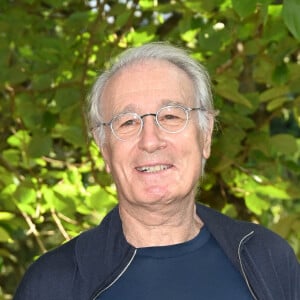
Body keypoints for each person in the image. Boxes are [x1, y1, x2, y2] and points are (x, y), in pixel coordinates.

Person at [14, 42, 299, 300]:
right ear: (104, 149)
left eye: (171, 116)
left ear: (206, 136)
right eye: (127, 123)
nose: (150, 141)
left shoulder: (266, 259)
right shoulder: (52, 284)